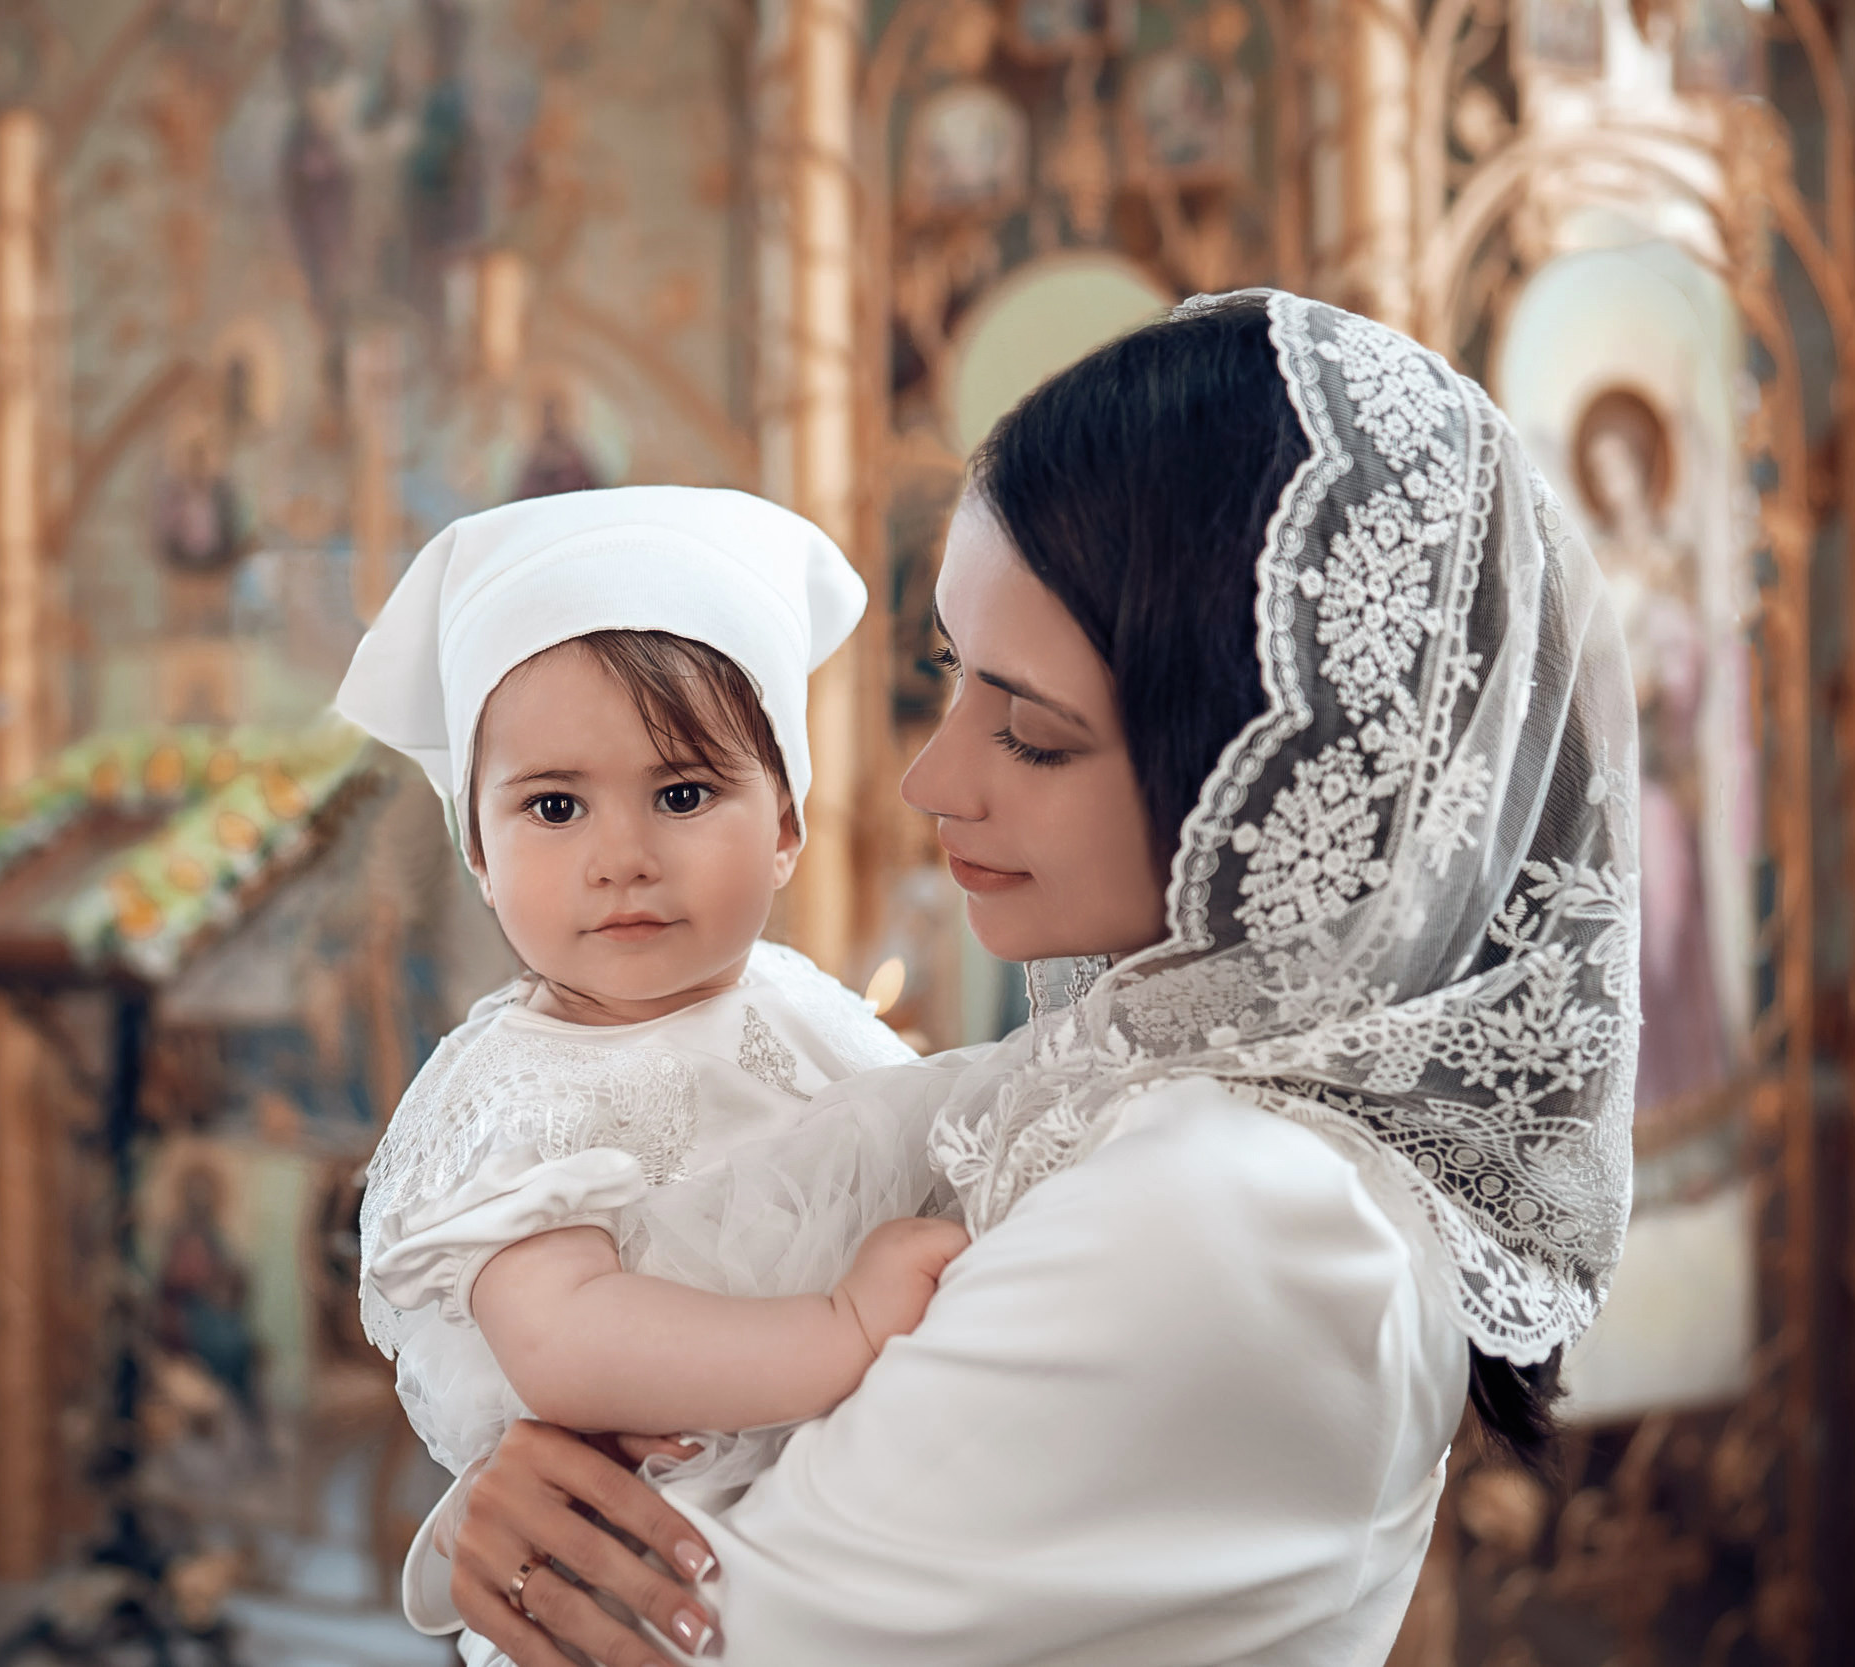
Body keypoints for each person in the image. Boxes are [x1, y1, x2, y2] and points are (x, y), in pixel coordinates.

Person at [423, 291, 1644, 1665]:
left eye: (1034, 734)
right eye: (955, 677)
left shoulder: (1239, 1213)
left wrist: (540, 1566)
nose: (930, 778)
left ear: (1262, 769)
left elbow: (693, 1640)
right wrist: (537, 1487)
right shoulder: (1140, 1104)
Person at [337, 487, 965, 1665]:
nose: (620, 857)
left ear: (784, 820)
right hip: (646, 1576)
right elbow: (565, 1339)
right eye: (554, 806)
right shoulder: (515, 1090)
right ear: (477, 848)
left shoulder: (803, 1008)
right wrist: (836, 1326)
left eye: (682, 794)